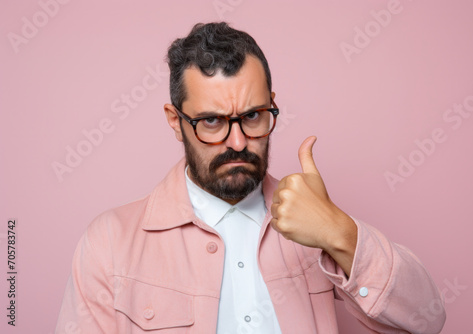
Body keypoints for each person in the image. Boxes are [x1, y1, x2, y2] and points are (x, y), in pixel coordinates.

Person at [56, 22, 446, 334]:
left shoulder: (312, 224)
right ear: (176, 122)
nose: (238, 141)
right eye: (212, 121)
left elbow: (426, 321)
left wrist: (338, 231)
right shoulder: (109, 243)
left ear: (272, 106)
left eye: (253, 116)